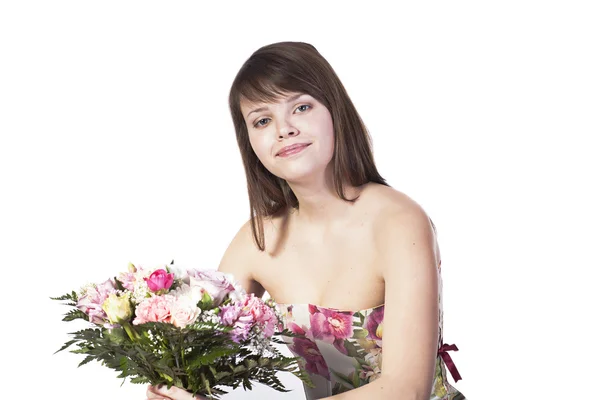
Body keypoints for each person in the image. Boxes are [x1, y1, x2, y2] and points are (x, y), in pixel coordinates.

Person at [147, 41, 466, 400]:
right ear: (249, 140)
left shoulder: (398, 220)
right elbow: (198, 363)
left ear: (334, 111)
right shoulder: (258, 239)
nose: (284, 129)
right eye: (263, 120)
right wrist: (173, 387)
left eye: (300, 107)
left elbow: (406, 390)